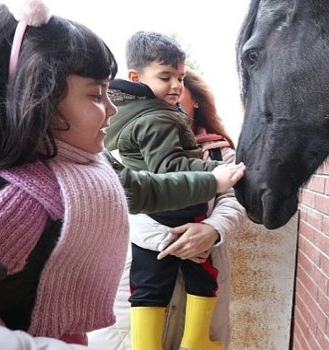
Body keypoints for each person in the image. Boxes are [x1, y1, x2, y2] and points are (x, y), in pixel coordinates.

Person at [0, 2, 244, 347]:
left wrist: (213, 214)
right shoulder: (8, 203)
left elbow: (140, 188)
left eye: (181, 83)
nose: (111, 110)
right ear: (34, 97)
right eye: (95, 95)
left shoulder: (89, 168)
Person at [89, 67, 245, 350]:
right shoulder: (122, 143)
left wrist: (212, 230)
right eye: (163, 81)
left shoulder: (221, 154)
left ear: (195, 99)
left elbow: (234, 201)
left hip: (201, 267)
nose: (169, 93)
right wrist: (161, 234)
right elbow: (118, 200)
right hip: (135, 277)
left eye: (180, 83)